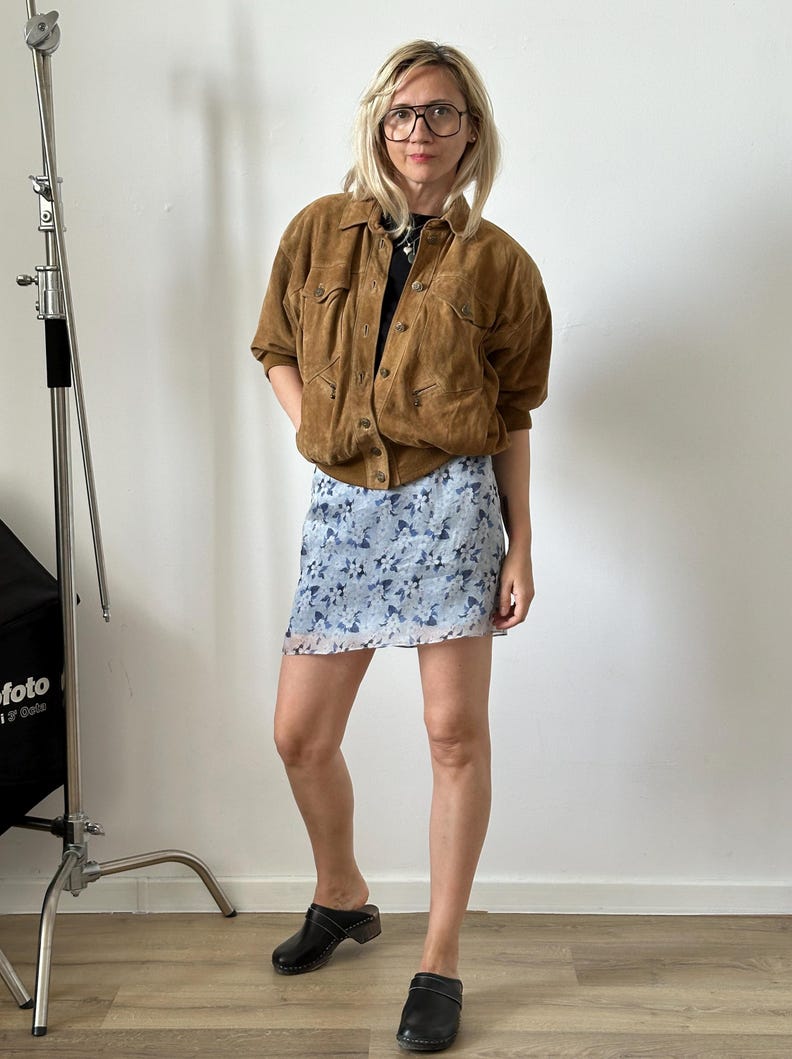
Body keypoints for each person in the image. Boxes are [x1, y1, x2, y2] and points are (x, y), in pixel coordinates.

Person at [250, 39, 551, 1053]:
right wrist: (311, 433)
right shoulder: (314, 234)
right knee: (298, 734)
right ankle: (342, 896)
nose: (419, 131)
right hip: (343, 507)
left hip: (449, 503)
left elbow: (510, 412)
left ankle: (439, 961)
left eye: (441, 113)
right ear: (377, 128)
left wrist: (518, 543)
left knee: (451, 734)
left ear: (472, 133)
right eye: (402, 113)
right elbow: (275, 348)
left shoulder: (498, 263)